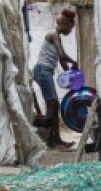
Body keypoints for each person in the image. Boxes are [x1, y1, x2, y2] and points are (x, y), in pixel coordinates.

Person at [32, 8, 78, 149]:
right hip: (42, 71)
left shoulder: (57, 37)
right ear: (65, 23)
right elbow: (63, 56)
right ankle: (50, 141)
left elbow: (62, 61)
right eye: (70, 27)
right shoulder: (53, 35)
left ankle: (56, 139)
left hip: (45, 72)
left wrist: (70, 75)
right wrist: (74, 62)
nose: (70, 31)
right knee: (52, 105)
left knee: (54, 105)